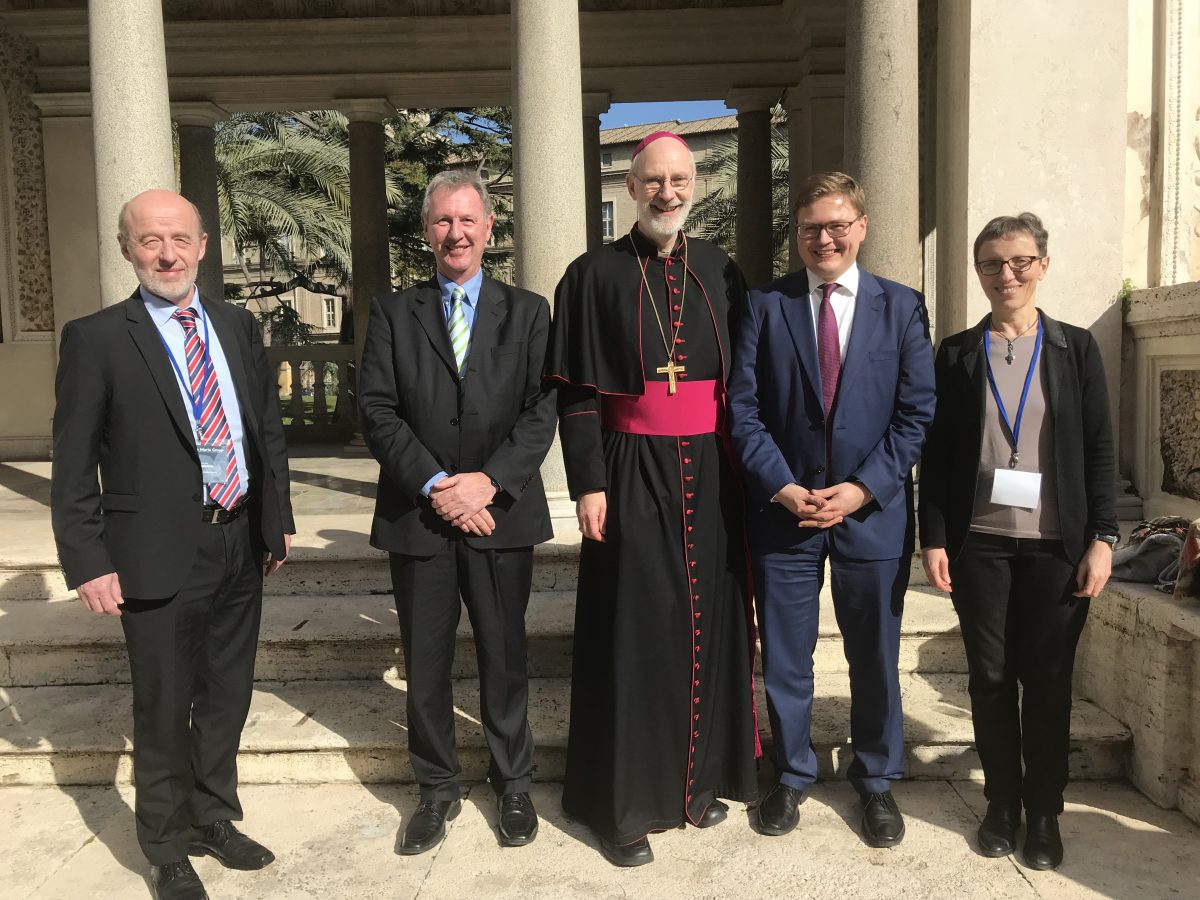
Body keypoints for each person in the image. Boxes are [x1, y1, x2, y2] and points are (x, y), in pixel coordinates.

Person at [50, 189, 294, 900]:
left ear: (202, 245)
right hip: (152, 552)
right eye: (150, 240)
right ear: (127, 248)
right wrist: (88, 559)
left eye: (179, 239)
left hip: (238, 541)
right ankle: (164, 844)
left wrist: (274, 520)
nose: (166, 253)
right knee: (162, 704)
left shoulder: (236, 324)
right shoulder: (96, 337)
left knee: (226, 696)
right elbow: (72, 462)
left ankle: (213, 816)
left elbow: (264, 431)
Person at [546, 131, 758, 867]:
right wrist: (589, 483)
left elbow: (746, 386)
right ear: (631, 189)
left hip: (711, 468)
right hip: (628, 465)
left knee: (705, 626)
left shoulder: (721, 271)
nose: (668, 192)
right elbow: (575, 394)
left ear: (693, 185)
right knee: (634, 632)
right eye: (653, 181)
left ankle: (698, 785)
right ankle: (623, 805)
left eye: (679, 180)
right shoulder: (591, 274)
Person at [728, 171, 935, 848]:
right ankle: (791, 773)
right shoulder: (765, 305)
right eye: (812, 226)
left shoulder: (900, 307)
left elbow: (915, 414)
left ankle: (875, 779)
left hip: (869, 514)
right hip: (784, 513)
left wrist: (862, 488)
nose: (825, 237)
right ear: (798, 232)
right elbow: (744, 411)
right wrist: (782, 487)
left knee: (873, 654)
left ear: (862, 227)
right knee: (787, 657)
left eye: (838, 224)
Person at [359, 169, 556, 856]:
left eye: (469, 220)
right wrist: (442, 484)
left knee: (505, 656)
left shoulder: (529, 312)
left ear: (490, 230)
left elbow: (541, 411)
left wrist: (488, 485)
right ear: (426, 231)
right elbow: (377, 410)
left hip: (501, 518)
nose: (457, 232)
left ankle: (514, 784)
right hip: (421, 517)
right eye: (443, 220)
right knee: (427, 660)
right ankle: (437, 789)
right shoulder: (392, 312)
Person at [919, 213, 1117, 870]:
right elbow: (939, 452)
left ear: (1043, 265)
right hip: (981, 544)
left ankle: (1046, 811)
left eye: (1020, 261)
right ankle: (1002, 805)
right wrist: (936, 536)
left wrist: (1104, 537)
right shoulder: (955, 353)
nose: (1006, 275)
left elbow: (1097, 449)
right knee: (992, 678)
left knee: (1050, 679)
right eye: (992, 264)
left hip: (1057, 547)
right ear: (978, 272)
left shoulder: (1075, 349)